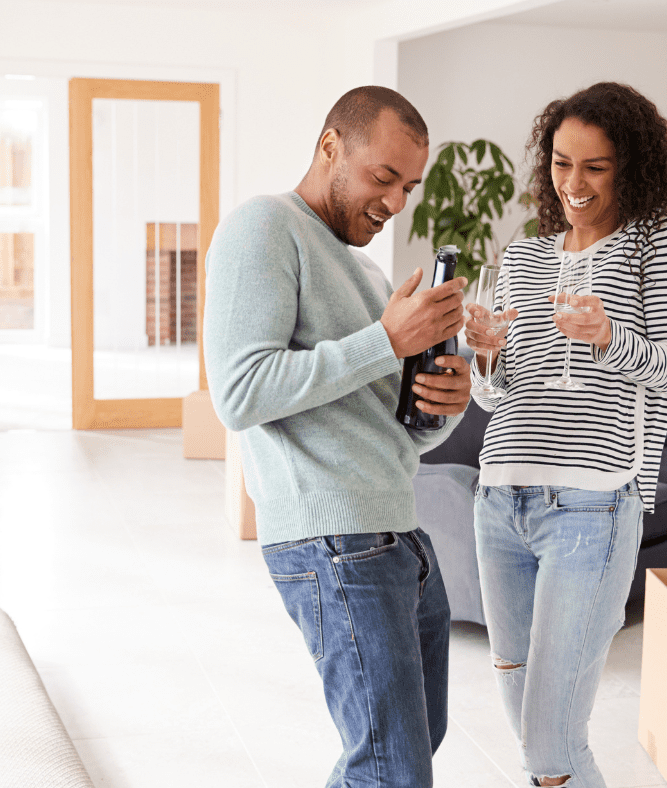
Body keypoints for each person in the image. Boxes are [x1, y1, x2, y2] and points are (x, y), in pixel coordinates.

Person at [203, 86, 471, 788]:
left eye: (408, 186)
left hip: (399, 533)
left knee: (405, 749)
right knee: (393, 767)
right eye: (384, 177)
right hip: (335, 540)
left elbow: (392, 436)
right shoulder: (263, 227)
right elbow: (239, 393)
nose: (395, 202)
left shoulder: (369, 271)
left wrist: (441, 407)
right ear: (331, 147)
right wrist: (385, 339)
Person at [464, 81, 667, 788]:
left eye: (594, 166)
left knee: (551, 746)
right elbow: (496, 394)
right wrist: (486, 352)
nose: (573, 182)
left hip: (594, 503)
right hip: (500, 497)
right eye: (562, 163)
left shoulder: (657, 236)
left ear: (628, 165)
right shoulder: (525, 255)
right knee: (531, 729)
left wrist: (607, 338)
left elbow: (666, 368)